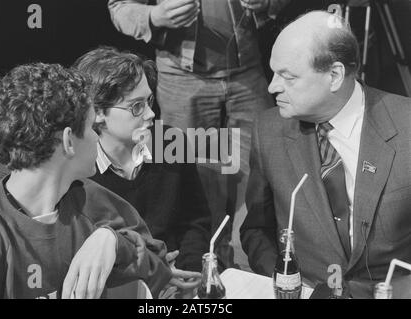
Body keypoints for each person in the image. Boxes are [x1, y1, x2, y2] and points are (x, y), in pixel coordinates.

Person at [0, 63, 183, 298]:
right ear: (69, 141)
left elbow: (159, 270)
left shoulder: (93, 200)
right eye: (91, 127)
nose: (97, 137)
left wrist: (113, 241)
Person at [240, 11, 411, 298]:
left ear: (334, 75)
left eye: (288, 77)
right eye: (273, 73)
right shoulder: (268, 131)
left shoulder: (406, 124)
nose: (272, 87)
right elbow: (256, 230)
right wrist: (285, 278)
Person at [107, 0, 289, 270]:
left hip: (246, 74)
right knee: (198, 183)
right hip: (183, 79)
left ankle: (251, 270)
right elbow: (119, 7)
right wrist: (153, 15)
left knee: (258, 179)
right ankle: (204, 271)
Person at [73, 47, 211, 276]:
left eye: (149, 101)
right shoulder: (76, 173)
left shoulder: (170, 141)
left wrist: (191, 271)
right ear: (97, 112)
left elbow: (195, 220)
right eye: (136, 106)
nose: (150, 114)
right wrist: (154, 272)